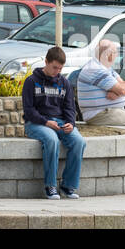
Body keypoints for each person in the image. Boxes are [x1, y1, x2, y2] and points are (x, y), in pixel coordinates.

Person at [22, 46, 85, 199]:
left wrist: (71, 123)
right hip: (36, 123)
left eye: (60, 68)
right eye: (55, 67)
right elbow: (29, 111)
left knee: (79, 142)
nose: (57, 71)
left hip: (61, 122)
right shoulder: (31, 81)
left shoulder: (65, 83)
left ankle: (68, 186)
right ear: (46, 62)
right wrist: (46, 122)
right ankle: (50, 186)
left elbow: (70, 107)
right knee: (51, 140)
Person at [76, 39, 125, 129]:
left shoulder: (106, 68)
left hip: (109, 111)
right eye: (115, 53)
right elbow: (122, 89)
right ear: (108, 55)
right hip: (101, 113)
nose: (116, 56)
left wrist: (117, 92)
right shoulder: (95, 69)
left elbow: (121, 84)